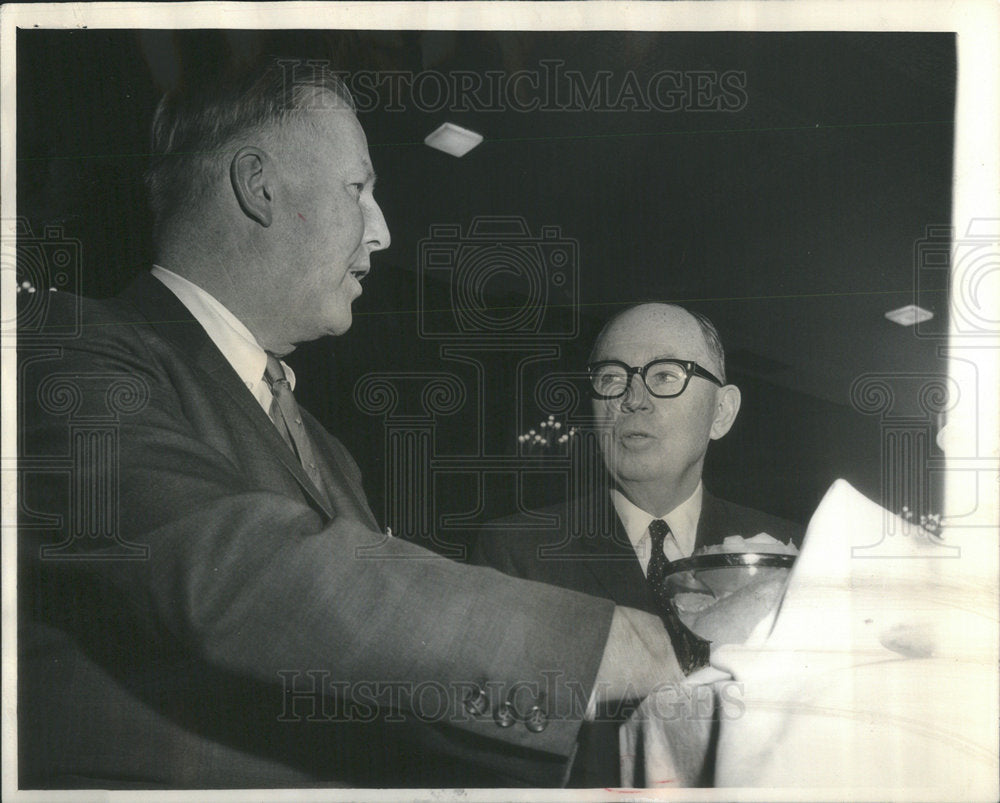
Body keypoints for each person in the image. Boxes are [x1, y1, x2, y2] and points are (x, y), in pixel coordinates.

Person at [17, 58, 682, 789]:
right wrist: (630, 646)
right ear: (258, 186)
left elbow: (379, 684)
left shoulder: (328, 450)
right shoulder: (58, 352)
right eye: (358, 190)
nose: (383, 232)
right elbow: (239, 575)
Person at [473, 302, 804, 785]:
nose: (633, 399)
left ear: (722, 412)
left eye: (666, 375)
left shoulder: (791, 553)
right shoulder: (518, 551)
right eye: (611, 377)